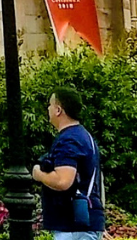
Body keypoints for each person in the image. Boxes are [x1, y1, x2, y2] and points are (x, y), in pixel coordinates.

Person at [31, 88, 104, 240]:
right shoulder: (84, 136)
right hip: (85, 223)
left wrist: (38, 173)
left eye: (50, 105)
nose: (48, 109)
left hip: (73, 227)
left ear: (58, 110)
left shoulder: (69, 140)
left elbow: (63, 181)